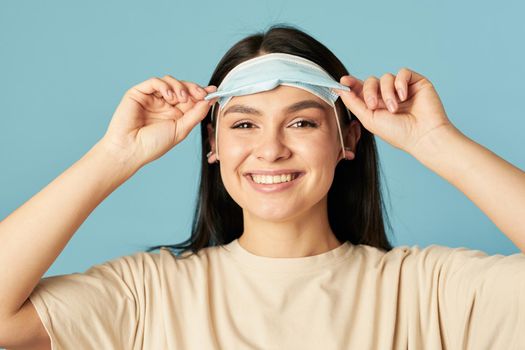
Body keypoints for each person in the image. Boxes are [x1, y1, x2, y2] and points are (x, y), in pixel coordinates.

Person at [0, 24, 524, 350]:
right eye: (244, 124)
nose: (270, 150)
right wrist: (114, 155)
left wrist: (436, 141)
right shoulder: (147, 295)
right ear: (213, 144)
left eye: (302, 123)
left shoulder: (428, 293)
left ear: (348, 138)